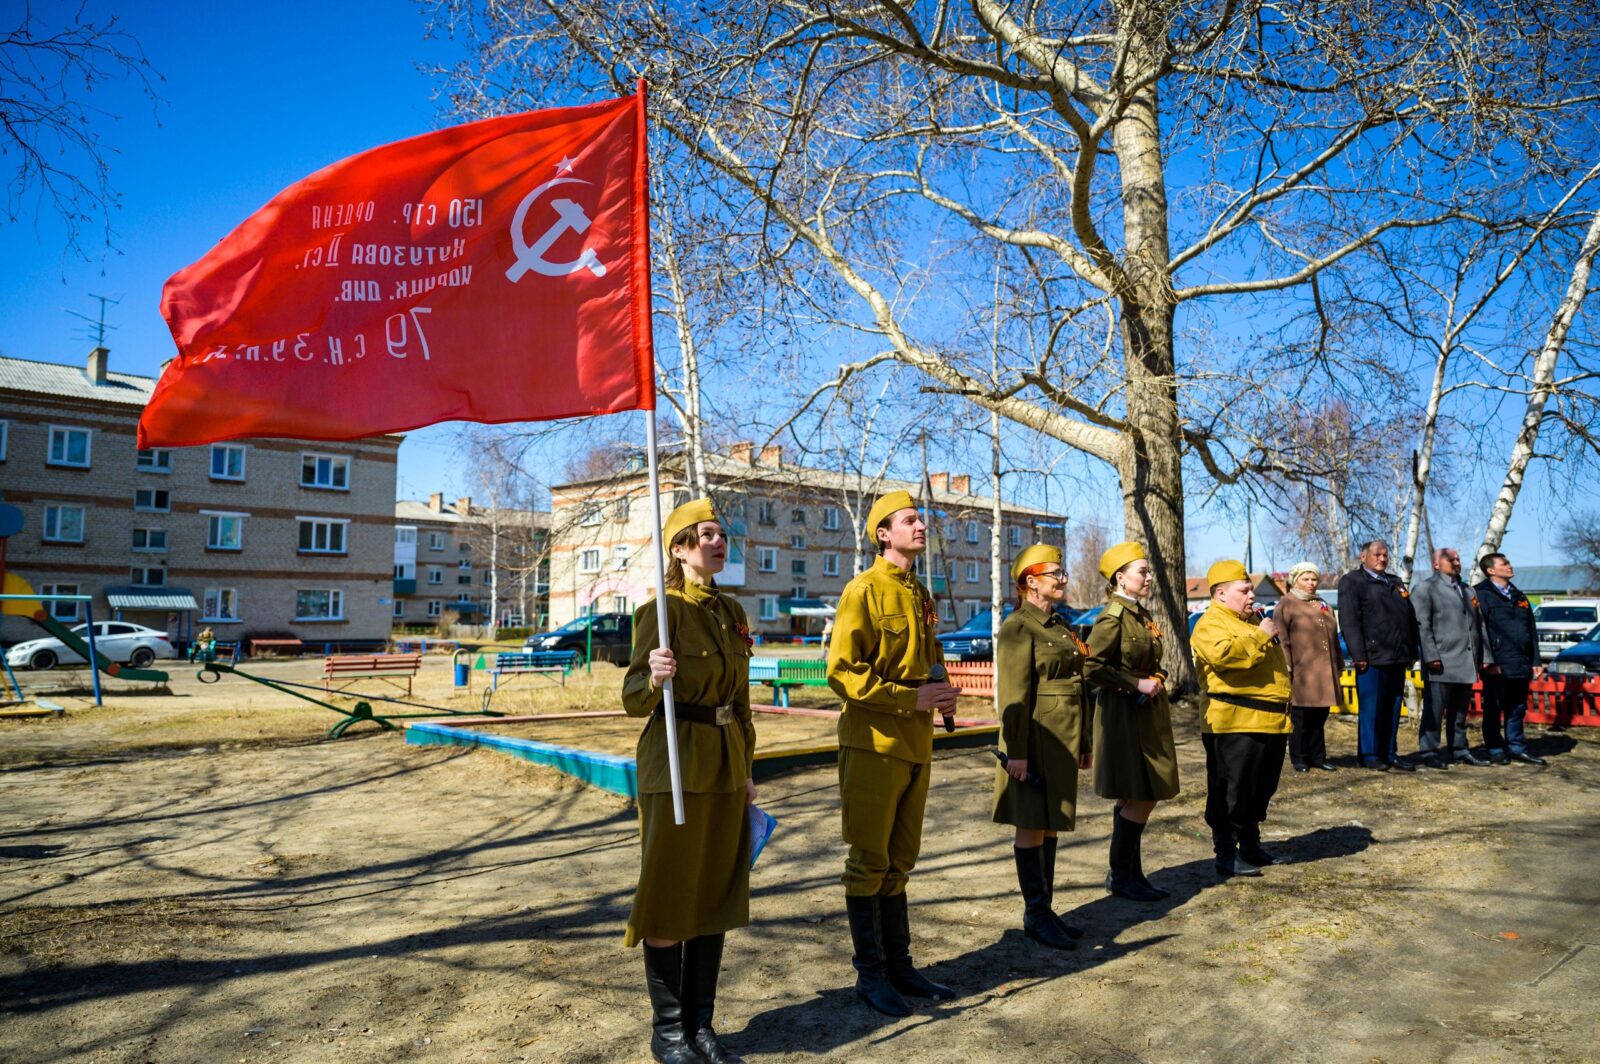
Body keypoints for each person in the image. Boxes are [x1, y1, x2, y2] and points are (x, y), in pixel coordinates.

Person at [621, 498, 756, 1064]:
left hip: (724, 765)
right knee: (671, 897)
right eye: (705, 535)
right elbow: (632, 700)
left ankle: (702, 1027)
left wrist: (747, 770)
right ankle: (669, 1032)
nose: (717, 542)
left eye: (721, 534)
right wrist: (653, 678)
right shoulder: (661, 611)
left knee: (714, 896)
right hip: (675, 763)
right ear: (679, 549)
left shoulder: (731, 613)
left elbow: (741, 701)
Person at [826, 490, 960, 1016]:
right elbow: (842, 672)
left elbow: (930, 654)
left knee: (900, 861)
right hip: (873, 742)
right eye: (909, 520)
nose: (920, 525)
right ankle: (871, 975)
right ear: (883, 533)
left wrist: (942, 689)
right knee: (869, 861)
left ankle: (900, 966)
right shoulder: (863, 591)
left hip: (916, 741)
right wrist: (910, 697)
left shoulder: (920, 590)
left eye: (920, 518)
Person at [993, 543, 1091, 950]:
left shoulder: (1059, 626)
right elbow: (1014, 694)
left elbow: (1077, 686)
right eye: (1056, 574)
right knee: (1032, 821)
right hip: (1033, 737)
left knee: (1050, 820)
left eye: (1062, 573)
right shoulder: (1019, 626)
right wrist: (1016, 751)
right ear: (1031, 583)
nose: (1062, 579)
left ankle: (1045, 910)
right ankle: (1035, 913)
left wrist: (1084, 742)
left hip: (1062, 738)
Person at [1083, 541, 1179, 903]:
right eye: (1143, 571)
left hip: (1144, 714)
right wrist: (1134, 683)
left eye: (1149, 571)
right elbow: (1090, 666)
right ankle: (1122, 874)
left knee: (1133, 793)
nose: (1149, 577)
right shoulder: (1112, 617)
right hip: (1124, 715)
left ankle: (1129, 874)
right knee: (1143, 793)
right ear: (1121, 578)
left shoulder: (1141, 615)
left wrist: (1153, 675)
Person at [1191, 561, 1293, 878]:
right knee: (1230, 793)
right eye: (1244, 590)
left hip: (1270, 721)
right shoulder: (1210, 624)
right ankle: (1225, 853)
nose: (1251, 595)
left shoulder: (1251, 623)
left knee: (1259, 789)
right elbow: (1224, 657)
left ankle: (1250, 844)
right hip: (1234, 722)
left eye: (1250, 589)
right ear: (1221, 594)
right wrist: (1261, 637)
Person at [1335, 541, 1420, 771]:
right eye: (1377, 555)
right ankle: (1369, 754)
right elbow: (1349, 620)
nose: (1382, 558)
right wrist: (1358, 654)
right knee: (1372, 708)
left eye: (1385, 555)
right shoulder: (1353, 581)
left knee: (1393, 707)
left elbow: (1409, 619)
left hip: (1397, 656)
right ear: (1364, 557)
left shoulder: (1395, 582)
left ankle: (1389, 752)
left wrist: (1412, 651)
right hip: (1371, 658)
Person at [1413, 547, 1489, 768]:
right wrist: (1430, 656)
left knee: (1459, 712)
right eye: (1450, 559)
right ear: (1437, 564)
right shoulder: (1426, 589)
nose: (1457, 562)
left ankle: (1459, 749)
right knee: (1434, 712)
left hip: (1466, 661)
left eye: (1458, 558)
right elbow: (1422, 625)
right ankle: (1429, 751)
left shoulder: (1468, 591)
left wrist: (1484, 657)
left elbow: (1479, 625)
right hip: (1441, 661)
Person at [1474, 553, 1547, 766]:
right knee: (1494, 709)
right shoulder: (1482, 595)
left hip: (1521, 662)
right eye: (1504, 563)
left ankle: (1517, 747)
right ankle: (1495, 748)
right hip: (1498, 664)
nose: (1509, 566)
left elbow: (1530, 630)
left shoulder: (1519, 596)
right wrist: (1489, 660)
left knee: (1517, 708)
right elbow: (1480, 631)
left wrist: (1536, 660)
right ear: (1491, 570)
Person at [1274, 562, 1342, 773]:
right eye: (1306, 579)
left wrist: (1338, 662)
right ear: (1295, 580)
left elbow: (1334, 636)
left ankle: (1318, 756)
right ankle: (1299, 757)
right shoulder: (1287, 604)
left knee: (1319, 717)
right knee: (1301, 718)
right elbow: (1282, 638)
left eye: (1313, 579)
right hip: (1302, 669)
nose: (1311, 583)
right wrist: (1287, 666)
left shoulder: (1322, 603)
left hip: (1324, 671)